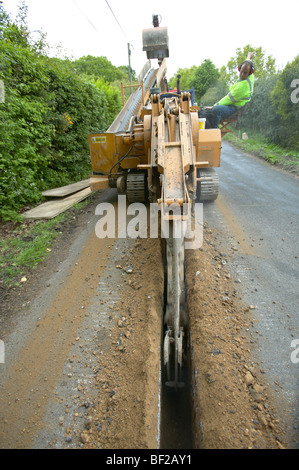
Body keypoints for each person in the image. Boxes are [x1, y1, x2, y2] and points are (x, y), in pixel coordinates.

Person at [200, 53, 255, 129]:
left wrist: (213, 106)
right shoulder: (249, 72)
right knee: (205, 110)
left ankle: (213, 133)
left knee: (215, 111)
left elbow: (229, 99)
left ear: (250, 73)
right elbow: (247, 63)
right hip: (232, 104)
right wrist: (249, 57)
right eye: (241, 71)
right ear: (239, 68)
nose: (242, 74)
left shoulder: (244, 86)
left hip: (235, 108)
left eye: (245, 73)